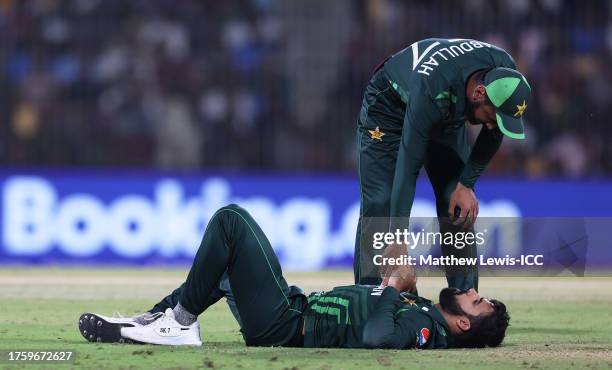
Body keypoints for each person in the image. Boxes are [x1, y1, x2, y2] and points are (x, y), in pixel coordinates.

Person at [78, 204, 509, 349]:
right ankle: (157, 321)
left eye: (476, 299)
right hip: (292, 308)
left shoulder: (425, 332)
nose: (470, 290)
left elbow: (378, 339)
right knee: (226, 266)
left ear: (464, 323)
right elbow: (374, 315)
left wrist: (392, 289)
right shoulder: (423, 312)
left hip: (287, 325)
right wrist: (398, 288)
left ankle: (178, 323)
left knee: (231, 221)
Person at [354, 38, 532, 288]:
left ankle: (465, 300)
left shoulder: (504, 77)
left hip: (445, 110)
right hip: (389, 108)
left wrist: (466, 184)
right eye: (492, 116)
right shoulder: (433, 86)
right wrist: (397, 237)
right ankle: (369, 299)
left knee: (456, 203)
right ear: (478, 92)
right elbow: (408, 166)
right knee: (380, 201)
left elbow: (494, 130)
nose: (492, 126)